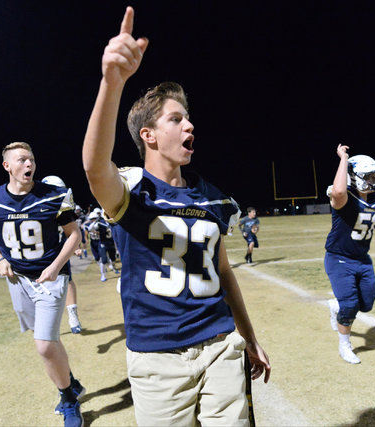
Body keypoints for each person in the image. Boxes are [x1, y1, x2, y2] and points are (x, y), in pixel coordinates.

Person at [81, 7, 270, 425]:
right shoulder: (131, 194)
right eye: (176, 118)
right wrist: (112, 83)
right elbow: (95, 168)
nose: (189, 126)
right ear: (148, 135)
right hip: (157, 360)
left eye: (188, 118)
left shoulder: (214, 199)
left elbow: (223, 271)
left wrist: (248, 336)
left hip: (220, 344)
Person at [0, 142, 85, 427]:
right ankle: (72, 383)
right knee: (47, 340)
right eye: (21, 160)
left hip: (50, 279)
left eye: (31, 159)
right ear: (7, 166)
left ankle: (69, 400)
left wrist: (55, 267)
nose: (28, 164)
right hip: (17, 280)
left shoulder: (54, 196)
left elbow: (74, 234)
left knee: (44, 345)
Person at [325, 144, 375, 364]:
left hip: (363, 259)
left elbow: (372, 215)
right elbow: (338, 191)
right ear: (353, 176)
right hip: (339, 258)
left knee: (366, 304)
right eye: (368, 175)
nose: (374, 179)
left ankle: (335, 305)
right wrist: (343, 159)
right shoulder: (344, 197)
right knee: (349, 305)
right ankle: (345, 346)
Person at [41, 175, 83, 335]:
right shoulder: (35, 206)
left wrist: (76, 247)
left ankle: (73, 315)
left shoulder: (62, 207)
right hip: (38, 255)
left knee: (68, 281)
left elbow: (71, 232)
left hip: (57, 252)